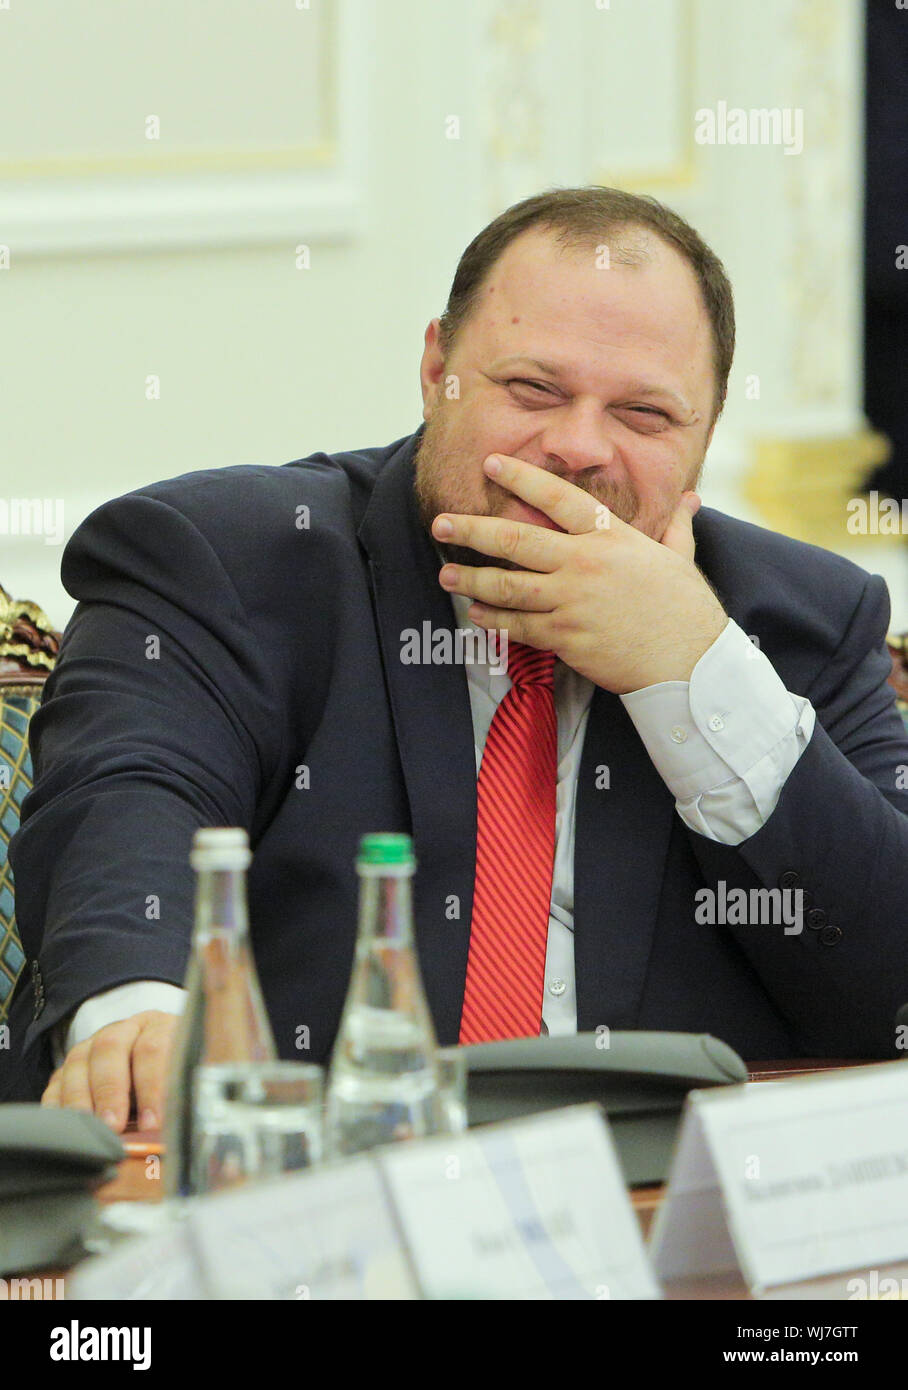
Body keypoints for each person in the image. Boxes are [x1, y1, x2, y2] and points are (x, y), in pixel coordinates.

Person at [3, 186, 907, 1131]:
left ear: (705, 438)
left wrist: (695, 671)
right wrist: (141, 1014)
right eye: (533, 390)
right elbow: (129, 795)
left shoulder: (799, 622)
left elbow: (889, 999)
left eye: (644, 415)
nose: (578, 448)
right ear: (438, 370)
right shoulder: (226, 560)